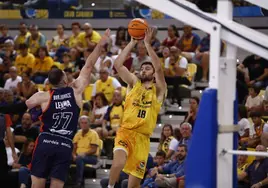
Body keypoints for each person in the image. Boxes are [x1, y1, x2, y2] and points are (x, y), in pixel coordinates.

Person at [23, 29, 110, 188]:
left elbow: (28, 103)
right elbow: (89, 64)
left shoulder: (45, 96)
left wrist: (44, 92)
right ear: (65, 78)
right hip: (64, 144)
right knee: (57, 184)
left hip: (46, 141)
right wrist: (101, 43)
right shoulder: (75, 91)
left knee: (37, 184)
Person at [108, 27, 167, 188]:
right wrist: (132, 43)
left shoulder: (159, 91)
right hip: (126, 132)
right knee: (118, 163)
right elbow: (118, 65)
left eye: (147, 68)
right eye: (142, 67)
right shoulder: (134, 83)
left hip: (143, 139)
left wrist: (147, 44)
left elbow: (160, 69)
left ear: (154, 74)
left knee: (133, 184)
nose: (143, 69)